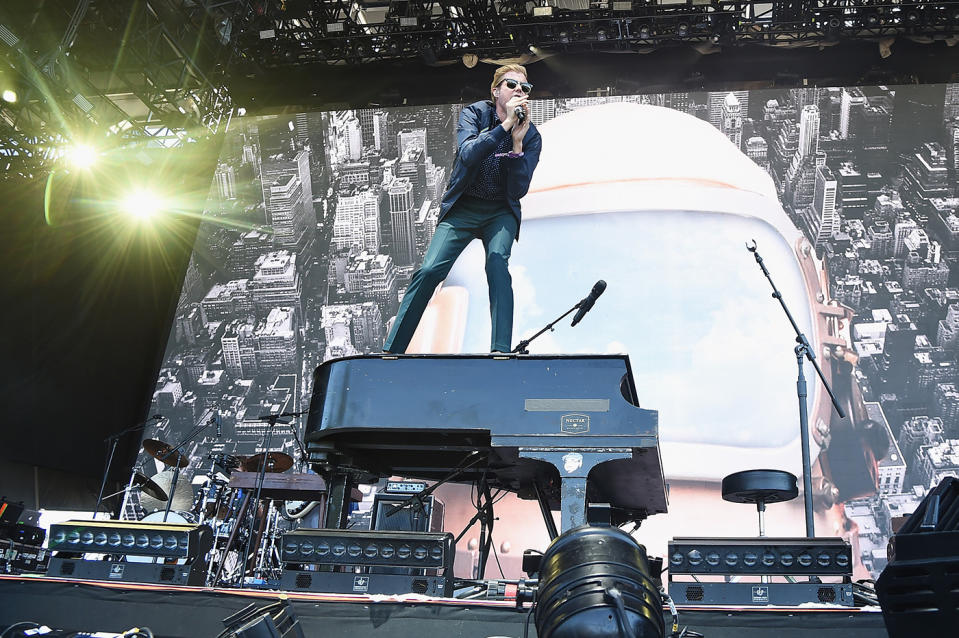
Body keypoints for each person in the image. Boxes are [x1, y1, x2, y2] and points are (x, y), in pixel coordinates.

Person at [382, 64, 543, 354]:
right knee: (430, 270)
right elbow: (468, 154)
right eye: (511, 85)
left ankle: (501, 351)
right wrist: (505, 126)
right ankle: (392, 350)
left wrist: (517, 144)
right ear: (495, 91)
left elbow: (518, 190)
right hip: (464, 206)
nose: (519, 91)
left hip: (500, 211)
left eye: (525, 88)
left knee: (497, 264)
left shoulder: (531, 136)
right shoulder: (475, 114)